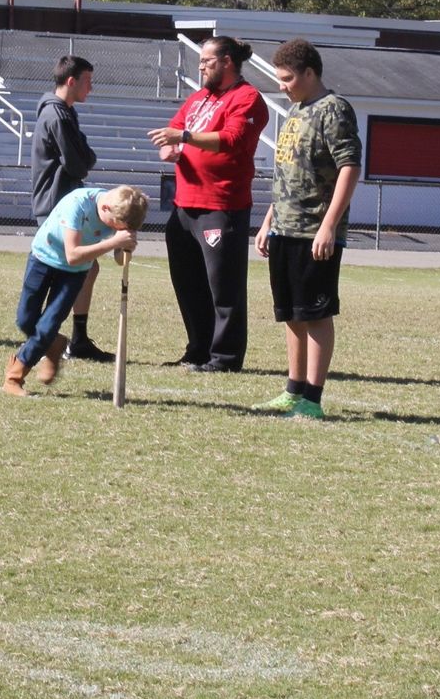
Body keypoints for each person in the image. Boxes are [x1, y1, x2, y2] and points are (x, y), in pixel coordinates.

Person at [253, 38, 362, 420]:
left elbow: (350, 167)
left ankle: (312, 398)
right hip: (285, 228)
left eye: (287, 78)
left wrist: (329, 225)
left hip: (314, 230)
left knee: (315, 313)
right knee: (291, 313)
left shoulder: (334, 110)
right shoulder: (297, 109)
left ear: (310, 73)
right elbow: (289, 172)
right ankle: (293, 389)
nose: (281, 85)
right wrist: (269, 221)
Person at [147, 36, 269, 372]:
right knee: (188, 285)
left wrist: (184, 138)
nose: (201, 67)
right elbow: (173, 128)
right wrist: (168, 148)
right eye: (200, 61)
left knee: (223, 288)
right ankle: (198, 350)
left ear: (227, 61)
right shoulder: (199, 98)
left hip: (221, 204)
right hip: (185, 205)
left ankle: (225, 358)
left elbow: (232, 140)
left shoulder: (247, 98)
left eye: (207, 61)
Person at [5, 184, 148, 395]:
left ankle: (14, 377)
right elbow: (72, 255)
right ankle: (55, 344)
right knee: (25, 320)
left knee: (47, 325)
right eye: (116, 225)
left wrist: (125, 247)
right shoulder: (78, 205)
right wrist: (114, 242)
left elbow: (119, 256)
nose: (118, 229)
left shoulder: (124, 213)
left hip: (75, 273)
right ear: (106, 208)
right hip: (44, 258)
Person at [31, 54, 113, 363]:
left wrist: (84, 155)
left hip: (61, 201)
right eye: (87, 82)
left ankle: (76, 339)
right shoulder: (57, 116)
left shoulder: (66, 112)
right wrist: (85, 156)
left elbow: (82, 158)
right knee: (64, 272)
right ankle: (44, 338)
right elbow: (80, 163)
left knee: (87, 268)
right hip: (55, 204)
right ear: (71, 81)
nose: (91, 88)